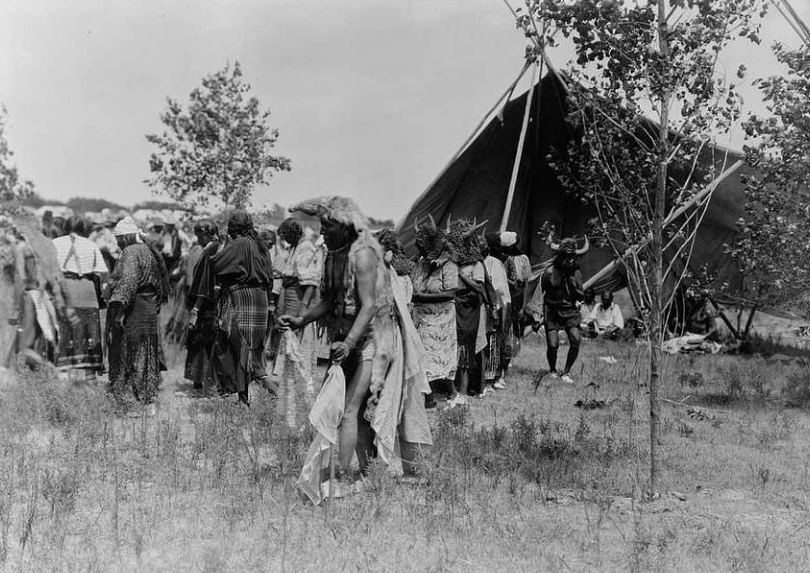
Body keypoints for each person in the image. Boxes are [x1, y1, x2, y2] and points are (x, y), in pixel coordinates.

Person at [281, 196, 423, 488]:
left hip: (372, 339)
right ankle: (370, 472)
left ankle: (341, 478)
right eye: (322, 225)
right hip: (347, 339)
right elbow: (332, 300)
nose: (323, 232)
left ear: (346, 227)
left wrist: (349, 341)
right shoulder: (333, 255)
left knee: (349, 410)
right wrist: (302, 320)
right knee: (344, 412)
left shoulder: (363, 256)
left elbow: (369, 305)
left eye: (329, 226)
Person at [107, 217, 170, 416]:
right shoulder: (148, 251)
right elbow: (160, 286)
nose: (117, 243)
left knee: (129, 354)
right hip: (149, 309)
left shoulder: (131, 251)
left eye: (118, 239)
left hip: (134, 310)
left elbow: (128, 282)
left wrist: (119, 312)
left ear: (125, 238)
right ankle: (148, 401)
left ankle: (129, 402)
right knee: (147, 355)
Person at [211, 211, 273, 406]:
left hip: (244, 299)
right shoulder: (260, 244)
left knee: (244, 352)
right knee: (249, 350)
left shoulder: (240, 243)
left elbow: (217, 264)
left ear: (232, 229)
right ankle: (243, 398)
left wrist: (222, 243)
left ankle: (275, 395)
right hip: (260, 299)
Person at [273, 217, 322, 428]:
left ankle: (303, 415)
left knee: (300, 361)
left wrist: (302, 314)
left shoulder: (305, 249)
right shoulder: (295, 249)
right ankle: (290, 414)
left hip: (297, 310)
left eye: (285, 236)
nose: (283, 240)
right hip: (289, 306)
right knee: (290, 362)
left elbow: (310, 283)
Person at [410, 218, 460, 408]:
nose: (420, 251)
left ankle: (446, 393)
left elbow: (450, 293)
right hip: (421, 318)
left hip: (441, 320)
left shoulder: (448, 266)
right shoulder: (421, 263)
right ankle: (429, 396)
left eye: (423, 248)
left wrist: (421, 297)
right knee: (421, 356)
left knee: (437, 358)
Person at [52, 215, 108, 381]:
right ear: (84, 229)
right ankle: (90, 379)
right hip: (87, 294)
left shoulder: (55, 244)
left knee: (65, 336)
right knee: (90, 336)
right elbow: (101, 273)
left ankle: (64, 381)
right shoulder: (91, 245)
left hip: (66, 294)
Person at [447, 218, 488, 401]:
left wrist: (462, 276)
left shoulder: (476, 264)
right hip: (454, 305)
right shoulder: (452, 263)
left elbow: (480, 288)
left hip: (470, 309)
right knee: (453, 347)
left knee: (465, 349)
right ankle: (452, 390)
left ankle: (463, 392)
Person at [541, 236, 590, 384]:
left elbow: (581, 295)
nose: (570, 260)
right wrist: (540, 314)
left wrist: (572, 284)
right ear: (560, 256)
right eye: (567, 257)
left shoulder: (575, 273)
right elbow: (541, 294)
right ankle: (552, 370)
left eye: (572, 257)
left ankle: (566, 372)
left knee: (575, 340)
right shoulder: (549, 273)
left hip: (570, 310)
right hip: (552, 310)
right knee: (553, 344)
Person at [183, 220, 220, 394]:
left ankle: (205, 387)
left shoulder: (210, 250)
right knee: (204, 344)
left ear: (205, 234)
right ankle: (202, 385)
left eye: (199, 236)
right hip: (211, 304)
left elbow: (204, 285)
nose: (198, 239)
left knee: (202, 344)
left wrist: (196, 309)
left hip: (206, 306)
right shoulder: (216, 248)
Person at [482, 233, 511, 393]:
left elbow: (502, 293)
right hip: (483, 309)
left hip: (495, 308)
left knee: (493, 342)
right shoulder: (478, 263)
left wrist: (502, 313)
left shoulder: (495, 263)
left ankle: (490, 379)